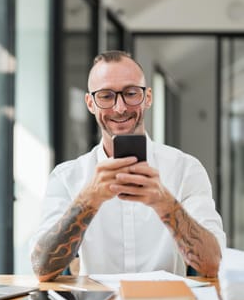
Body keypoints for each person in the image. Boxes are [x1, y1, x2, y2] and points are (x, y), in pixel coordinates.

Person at [30, 50, 226, 282]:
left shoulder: (186, 170)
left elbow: (214, 265)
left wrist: (165, 203)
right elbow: (41, 269)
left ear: (148, 97)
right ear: (91, 103)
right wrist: (88, 200)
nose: (120, 108)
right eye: (106, 96)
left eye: (131, 93)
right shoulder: (66, 177)